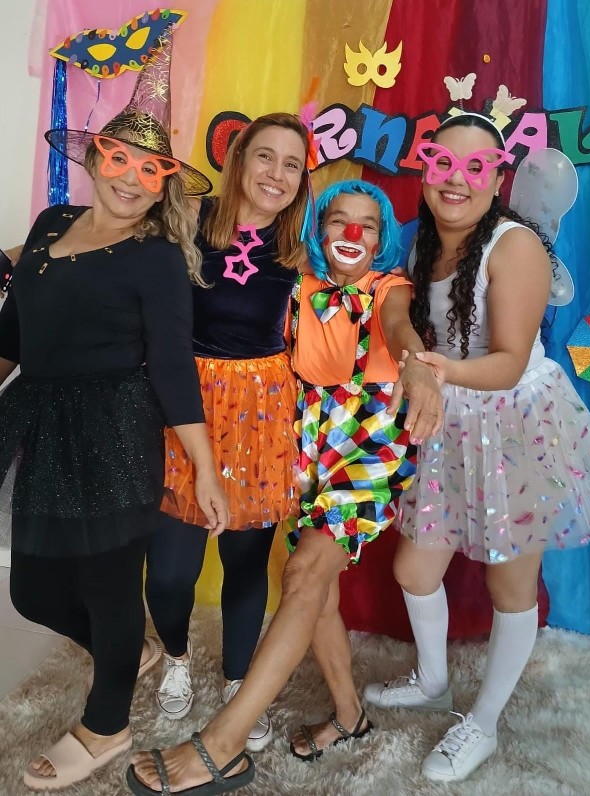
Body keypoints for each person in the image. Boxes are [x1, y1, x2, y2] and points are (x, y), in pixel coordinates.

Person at [126, 179, 443, 795]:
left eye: (369, 224)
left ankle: (222, 745)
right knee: (315, 592)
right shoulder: (300, 283)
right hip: (301, 446)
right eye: (339, 219)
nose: (353, 233)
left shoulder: (389, 287)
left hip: (367, 452)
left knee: (301, 576)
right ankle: (350, 717)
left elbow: (400, 326)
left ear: (382, 238)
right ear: (318, 230)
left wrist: (417, 366)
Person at [0, 79, 228, 789]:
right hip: (40, 420)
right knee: (32, 591)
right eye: (120, 159)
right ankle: (133, 651)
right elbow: (12, 334)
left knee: (110, 586)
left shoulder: (155, 258)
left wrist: (205, 468)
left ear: (164, 183)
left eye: (150, 169)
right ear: (96, 158)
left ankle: (108, 724)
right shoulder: (50, 224)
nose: (131, 178)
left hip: (115, 430)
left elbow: (172, 368)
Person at [363, 113, 590, 783]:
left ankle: (485, 722)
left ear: (497, 180)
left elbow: (507, 362)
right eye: (444, 164)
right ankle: (433, 680)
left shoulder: (513, 245)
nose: (457, 180)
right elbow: (396, 310)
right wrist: (417, 360)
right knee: (415, 569)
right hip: (450, 418)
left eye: (476, 168)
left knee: (509, 582)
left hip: (515, 424)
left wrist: (428, 370)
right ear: (425, 170)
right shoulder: (422, 243)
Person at [143, 112, 309, 750]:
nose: (276, 174)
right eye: (265, 156)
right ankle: (176, 656)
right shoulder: (184, 218)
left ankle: (242, 684)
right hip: (184, 404)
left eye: (291, 165)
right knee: (169, 572)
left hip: (260, 413)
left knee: (246, 562)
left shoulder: (301, 251)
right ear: (238, 159)